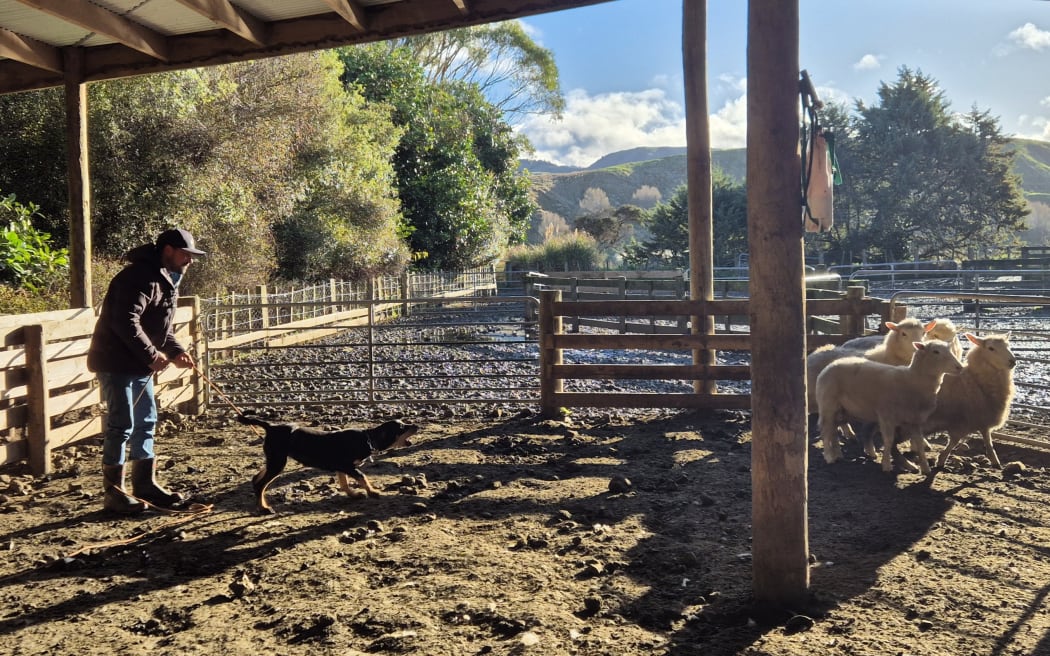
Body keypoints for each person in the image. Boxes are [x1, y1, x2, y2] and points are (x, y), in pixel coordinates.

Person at [88, 228, 205, 514]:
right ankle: (114, 493)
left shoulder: (163, 279)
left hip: (137, 364)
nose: (189, 261)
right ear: (168, 250)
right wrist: (152, 355)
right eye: (185, 254)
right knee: (121, 424)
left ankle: (145, 484)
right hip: (115, 362)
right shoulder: (138, 277)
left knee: (146, 421)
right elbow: (125, 322)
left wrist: (176, 352)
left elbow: (159, 328)